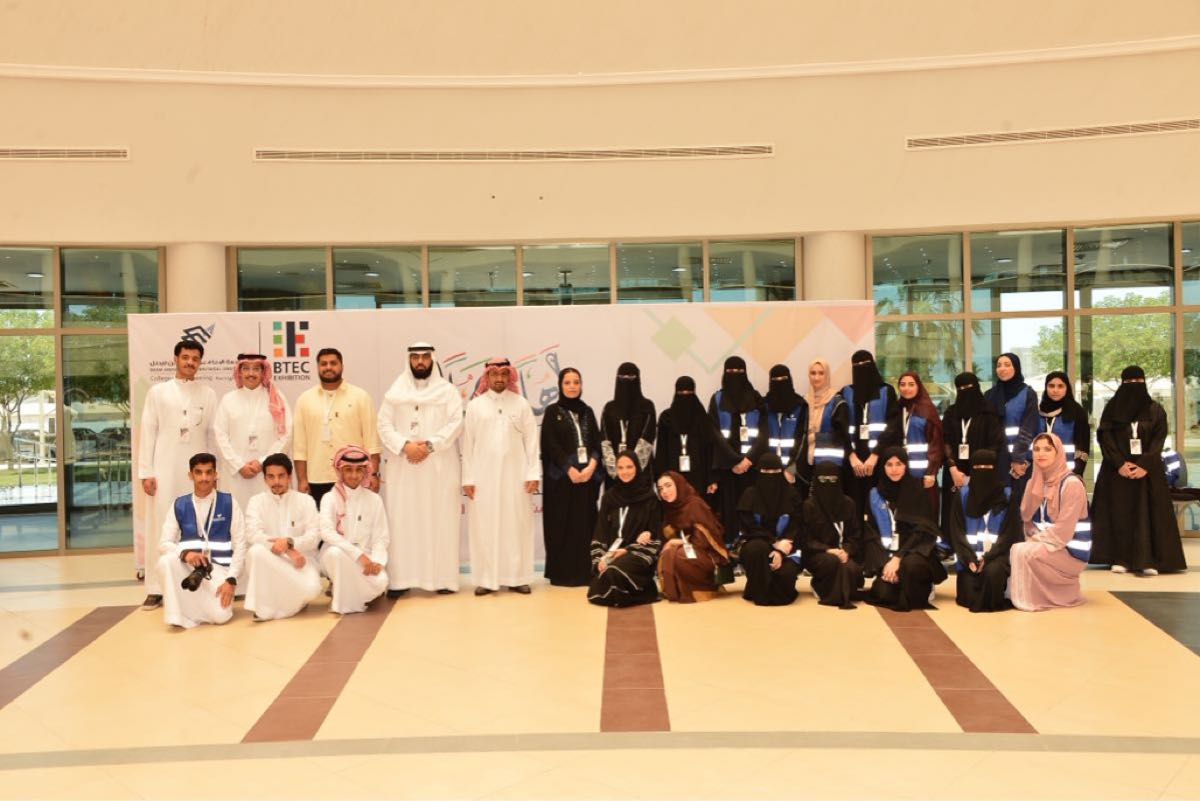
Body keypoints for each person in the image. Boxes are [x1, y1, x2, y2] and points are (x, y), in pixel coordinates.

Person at [377, 343, 465, 597]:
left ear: (432, 360)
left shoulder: (447, 391)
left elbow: (455, 423)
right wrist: (405, 446)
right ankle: (401, 580)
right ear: (409, 360)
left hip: (439, 469)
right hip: (404, 469)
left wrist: (429, 446)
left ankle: (443, 580)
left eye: (425, 357)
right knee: (403, 521)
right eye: (415, 357)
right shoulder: (395, 392)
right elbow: (383, 425)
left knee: (441, 520)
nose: (420, 362)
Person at [137, 339, 218, 610]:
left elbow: (212, 435)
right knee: (161, 525)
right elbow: (148, 431)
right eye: (185, 357)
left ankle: (200, 579)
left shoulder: (208, 394)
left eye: (195, 359)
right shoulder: (158, 392)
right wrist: (146, 472)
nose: (190, 362)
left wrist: (212, 473)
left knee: (198, 524)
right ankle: (155, 588)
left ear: (200, 363)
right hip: (164, 469)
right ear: (175, 359)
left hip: (199, 474)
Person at [1090, 366, 1187, 575]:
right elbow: (1105, 438)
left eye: (1138, 382)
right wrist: (1119, 463)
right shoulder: (1111, 409)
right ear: (1122, 384)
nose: (1134, 386)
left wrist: (1144, 464)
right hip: (1117, 472)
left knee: (1148, 513)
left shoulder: (1155, 410)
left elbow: (1159, 439)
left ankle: (1149, 560)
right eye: (1129, 382)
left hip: (1148, 472)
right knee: (1119, 514)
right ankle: (1120, 558)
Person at [462, 357, 541, 595]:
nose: (499, 378)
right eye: (494, 374)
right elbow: (467, 445)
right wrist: (468, 479)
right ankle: (486, 579)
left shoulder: (521, 404)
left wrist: (533, 473)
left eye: (504, 374)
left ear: (510, 376)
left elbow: (532, 442)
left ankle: (517, 577)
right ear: (487, 377)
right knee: (484, 527)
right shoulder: (475, 406)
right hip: (483, 478)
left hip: (516, 478)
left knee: (516, 525)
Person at [156, 452, 245, 628]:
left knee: (221, 616)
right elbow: (164, 543)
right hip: (189, 568)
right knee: (165, 562)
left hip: (218, 570)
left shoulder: (229, 503)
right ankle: (176, 616)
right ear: (191, 475)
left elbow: (240, 545)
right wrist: (185, 554)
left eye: (208, 472)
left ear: (215, 474)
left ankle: (189, 609)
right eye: (198, 472)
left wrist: (231, 580)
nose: (204, 478)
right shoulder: (179, 504)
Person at [293, 348, 381, 507]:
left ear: (342, 366)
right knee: (321, 522)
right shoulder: (305, 400)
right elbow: (300, 446)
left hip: (354, 476)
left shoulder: (360, 397)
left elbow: (372, 442)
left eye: (333, 363)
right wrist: (302, 479)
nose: (328, 367)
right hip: (317, 477)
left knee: (355, 521)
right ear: (317, 367)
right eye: (323, 364)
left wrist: (373, 474)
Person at [539, 368, 603, 587]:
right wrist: (569, 469)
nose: (572, 386)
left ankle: (586, 572)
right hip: (562, 482)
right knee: (562, 526)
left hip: (586, 480)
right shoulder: (552, 412)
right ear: (560, 385)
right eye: (567, 382)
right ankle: (563, 574)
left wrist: (592, 466)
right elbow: (550, 445)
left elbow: (597, 442)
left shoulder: (588, 412)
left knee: (585, 525)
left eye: (576, 382)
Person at [862, 447, 947, 611]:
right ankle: (898, 579)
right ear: (883, 467)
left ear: (906, 466)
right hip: (888, 557)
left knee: (911, 567)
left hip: (915, 552)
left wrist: (898, 558)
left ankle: (924, 584)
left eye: (899, 464)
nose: (894, 469)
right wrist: (886, 566)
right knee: (883, 594)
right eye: (889, 464)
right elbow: (871, 534)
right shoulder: (875, 494)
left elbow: (922, 531)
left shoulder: (917, 491)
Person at [1010, 433, 1089, 611]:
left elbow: (1064, 531)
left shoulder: (1071, 484)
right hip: (1048, 544)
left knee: (1026, 552)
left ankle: (1045, 598)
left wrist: (1034, 541)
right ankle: (1033, 595)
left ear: (1058, 453)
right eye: (1036, 449)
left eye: (1047, 449)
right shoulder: (1035, 482)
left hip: (1072, 550)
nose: (1041, 454)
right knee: (1016, 549)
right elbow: (1026, 518)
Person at [243, 453, 322, 621]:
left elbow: (314, 537)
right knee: (255, 552)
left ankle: (285, 603)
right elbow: (252, 534)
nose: (276, 481)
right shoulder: (256, 502)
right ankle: (264, 607)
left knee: (313, 589)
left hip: (300, 562)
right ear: (264, 478)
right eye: (271, 477)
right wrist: (287, 550)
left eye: (281, 476)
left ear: (290, 476)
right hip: (271, 561)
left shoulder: (306, 501)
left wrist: (291, 542)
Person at [212, 353, 293, 512]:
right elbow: (219, 435)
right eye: (246, 369)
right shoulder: (228, 399)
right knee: (236, 516)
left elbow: (286, 434)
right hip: (235, 474)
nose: (251, 373)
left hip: (268, 474)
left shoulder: (276, 399)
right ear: (239, 372)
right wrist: (239, 465)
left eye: (256, 369)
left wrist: (263, 462)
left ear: (263, 372)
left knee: (267, 515)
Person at [945, 450, 1020, 613]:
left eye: (988, 467)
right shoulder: (963, 496)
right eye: (978, 467)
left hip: (997, 557)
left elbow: (1010, 533)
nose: (983, 471)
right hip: (969, 560)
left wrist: (988, 558)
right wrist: (969, 559)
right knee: (969, 598)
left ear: (995, 469)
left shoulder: (1007, 496)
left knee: (991, 577)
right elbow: (957, 533)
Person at [318, 445, 389, 614]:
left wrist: (377, 562)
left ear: (365, 472)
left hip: (367, 558)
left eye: (359, 470)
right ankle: (343, 602)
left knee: (381, 581)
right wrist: (359, 556)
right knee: (336, 554)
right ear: (340, 471)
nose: (354, 475)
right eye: (348, 470)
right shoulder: (329, 498)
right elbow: (327, 532)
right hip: (336, 555)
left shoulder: (374, 499)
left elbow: (381, 537)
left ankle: (345, 589)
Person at [588, 452, 662, 607]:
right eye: (620, 468)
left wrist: (630, 547)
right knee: (605, 572)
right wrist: (601, 558)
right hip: (612, 552)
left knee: (614, 571)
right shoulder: (609, 497)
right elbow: (600, 530)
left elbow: (655, 532)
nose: (625, 472)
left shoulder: (649, 497)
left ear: (637, 468)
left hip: (636, 552)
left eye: (629, 467)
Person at [708, 356, 768, 546]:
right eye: (731, 371)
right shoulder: (717, 399)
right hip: (728, 469)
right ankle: (731, 547)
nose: (735, 375)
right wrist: (734, 461)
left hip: (752, 468)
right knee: (730, 510)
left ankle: (752, 545)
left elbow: (764, 433)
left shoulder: (756, 398)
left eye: (739, 371)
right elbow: (714, 433)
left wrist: (748, 460)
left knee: (752, 508)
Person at [655, 376, 738, 500]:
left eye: (688, 393)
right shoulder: (666, 419)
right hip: (672, 479)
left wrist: (712, 478)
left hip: (699, 479)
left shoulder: (702, 418)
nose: (685, 396)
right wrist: (661, 479)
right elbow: (661, 451)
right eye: (681, 393)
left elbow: (710, 450)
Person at [940, 372, 1007, 523]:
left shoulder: (988, 413)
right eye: (960, 388)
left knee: (977, 513)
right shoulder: (951, 413)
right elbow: (944, 440)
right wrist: (952, 468)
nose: (965, 391)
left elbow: (995, 443)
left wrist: (979, 470)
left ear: (976, 387)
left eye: (968, 387)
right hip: (954, 472)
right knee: (953, 513)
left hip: (982, 472)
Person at [840, 350, 899, 521]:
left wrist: (875, 455)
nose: (861, 369)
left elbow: (892, 426)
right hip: (854, 463)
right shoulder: (846, 392)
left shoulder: (886, 391)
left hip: (879, 461)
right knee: (854, 506)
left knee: (878, 505)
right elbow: (841, 428)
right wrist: (851, 457)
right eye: (857, 366)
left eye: (865, 365)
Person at [736, 454, 802, 606]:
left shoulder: (792, 495)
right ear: (759, 472)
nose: (770, 476)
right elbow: (749, 527)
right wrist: (773, 543)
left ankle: (757, 587)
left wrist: (781, 550)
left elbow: (797, 525)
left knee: (785, 575)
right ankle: (759, 593)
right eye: (766, 472)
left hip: (786, 547)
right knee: (757, 549)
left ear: (781, 472)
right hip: (757, 544)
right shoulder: (750, 495)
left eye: (775, 472)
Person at [657, 470, 729, 603]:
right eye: (661, 489)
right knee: (668, 553)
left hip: (707, 555)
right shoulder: (670, 509)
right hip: (687, 550)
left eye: (668, 485)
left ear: (678, 484)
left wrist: (678, 542)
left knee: (680, 555)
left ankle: (706, 587)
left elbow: (704, 540)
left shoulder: (695, 504)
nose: (664, 491)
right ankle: (679, 590)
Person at [800, 462, 864, 609]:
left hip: (844, 552)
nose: (828, 483)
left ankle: (837, 590)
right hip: (817, 554)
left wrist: (846, 550)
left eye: (832, 479)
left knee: (853, 570)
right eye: (823, 480)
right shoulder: (809, 506)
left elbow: (855, 534)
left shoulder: (848, 504)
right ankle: (819, 586)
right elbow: (806, 538)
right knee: (831, 562)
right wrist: (827, 549)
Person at [881, 371, 943, 516]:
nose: (906, 388)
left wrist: (931, 473)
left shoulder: (927, 410)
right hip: (900, 474)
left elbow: (936, 444)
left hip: (922, 476)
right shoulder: (897, 409)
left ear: (918, 386)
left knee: (924, 515)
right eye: (902, 385)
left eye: (911, 384)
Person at [983, 353, 1038, 497]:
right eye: (999, 365)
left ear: (1016, 368)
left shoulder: (1028, 394)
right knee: (997, 502)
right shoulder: (989, 395)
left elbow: (1029, 428)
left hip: (1019, 461)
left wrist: (1018, 459)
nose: (1002, 369)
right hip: (995, 459)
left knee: (1019, 501)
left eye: (1007, 365)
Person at [599, 362, 656, 485]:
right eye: (623, 377)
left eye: (631, 377)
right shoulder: (609, 408)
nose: (627, 380)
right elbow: (604, 440)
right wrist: (616, 470)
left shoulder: (647, 407)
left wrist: (632, 469)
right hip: (615, 476)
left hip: (641, 473)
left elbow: (647, 438)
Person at [799, 358, 850, 487]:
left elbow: (842, 435)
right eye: (813, 373)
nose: (816, 378)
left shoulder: (837, 402)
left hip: (831, 465)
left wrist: (815, 437)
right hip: (807, 465)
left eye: (821, 373)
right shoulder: (804, 402)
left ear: (827, 375)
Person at [763, 364, 810, 490]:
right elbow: (761, 439)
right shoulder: (764, 405)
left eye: (783, 379)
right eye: (775, 380)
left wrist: (791, 469)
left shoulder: (800, 406)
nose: (779, 384)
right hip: (768, 472)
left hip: (792, 474)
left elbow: (803, 442)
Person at [1037, 371, 1090, 476]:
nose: (1055, 390)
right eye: (1051, 386)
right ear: (1046, 388)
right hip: (1040, 473)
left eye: (1060, 386)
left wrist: (1077, 472)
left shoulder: (1076, 411)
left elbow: (1083, 446)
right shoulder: (1038, 411)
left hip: (1068, 473)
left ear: (1067, 388)